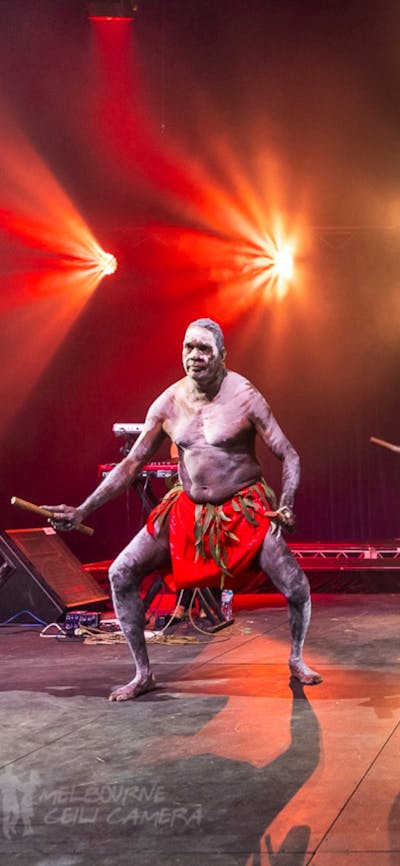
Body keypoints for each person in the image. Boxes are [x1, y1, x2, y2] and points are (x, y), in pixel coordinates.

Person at [46, 318, 322, 700]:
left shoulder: (244, 395)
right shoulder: (168, 403)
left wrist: (287, 503)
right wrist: (82, 509)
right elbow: (131, 465)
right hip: (187, 509)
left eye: (205, 349)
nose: (195, 356)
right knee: (121, 571)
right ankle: (143, 674)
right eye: (189, 348)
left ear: (222, 356)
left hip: (244, 508)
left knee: (295, 586)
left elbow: (288, 454)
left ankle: (295, 658)